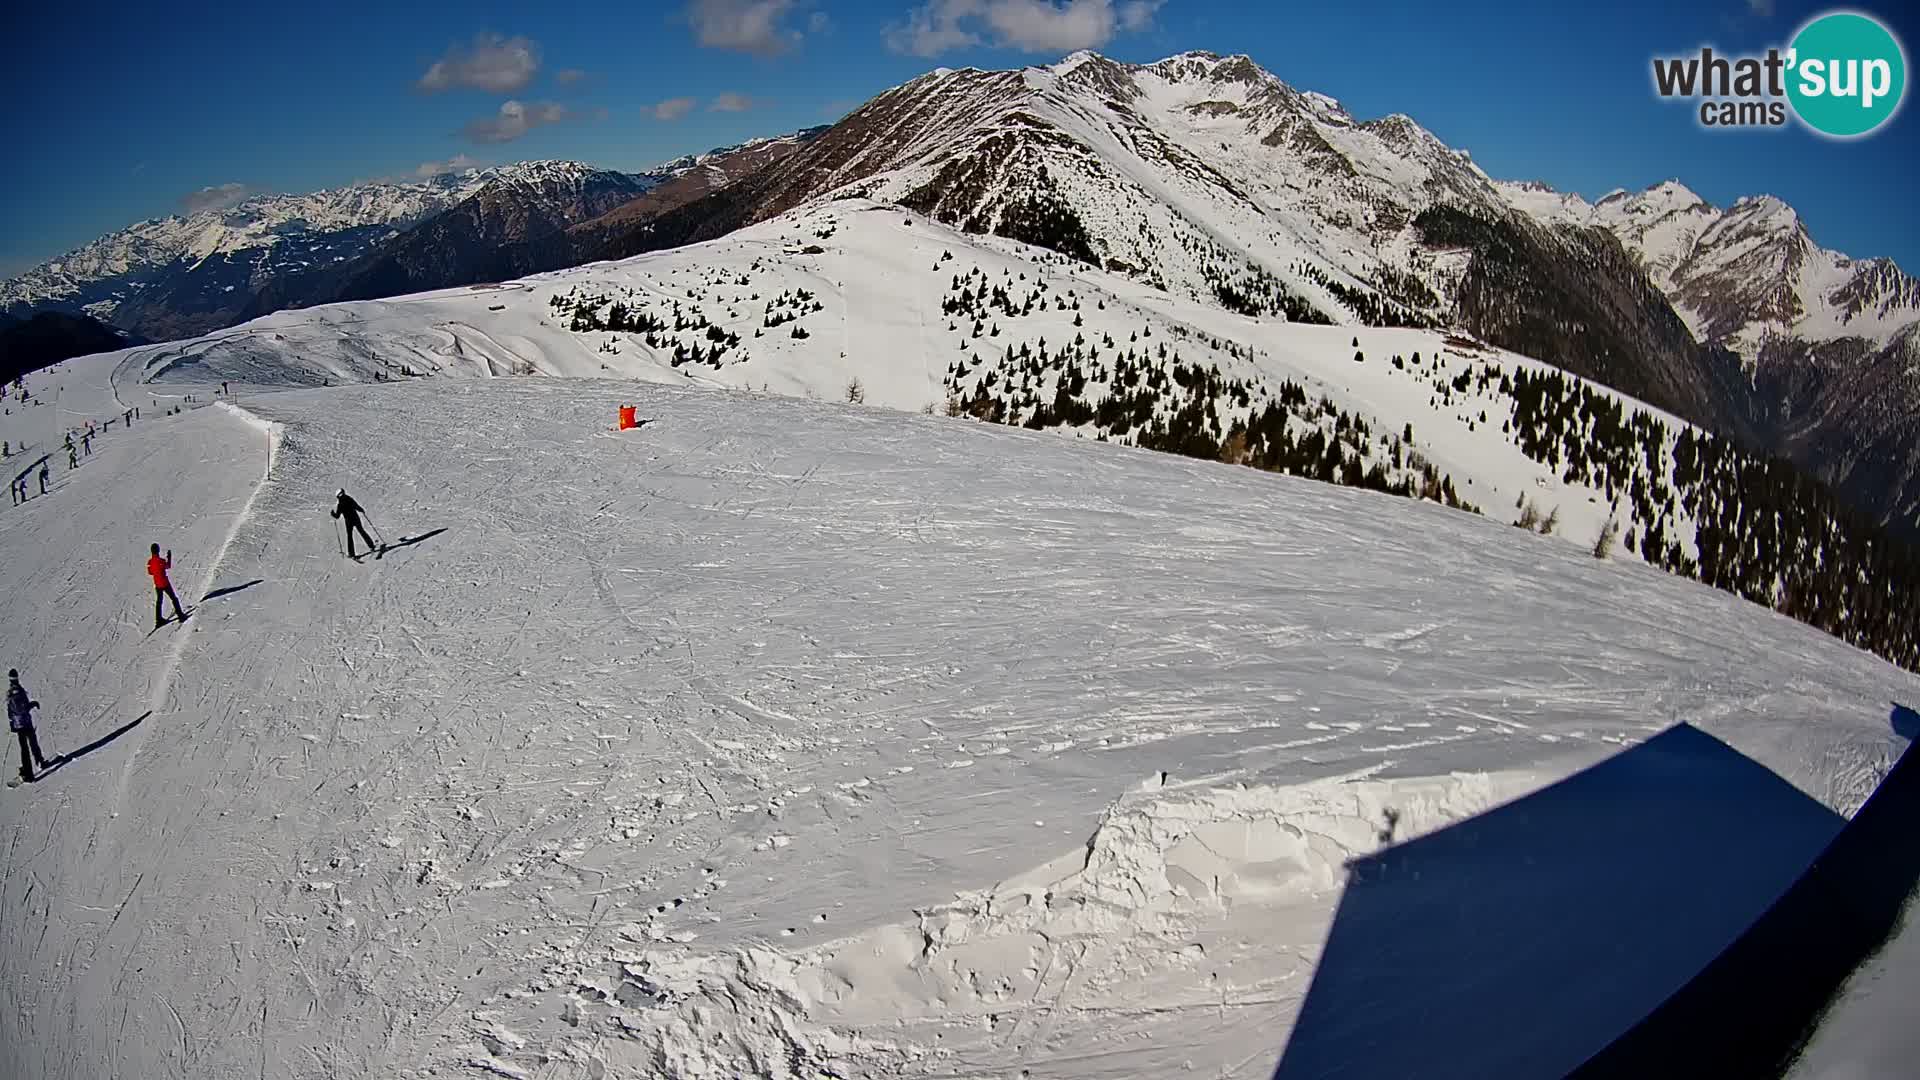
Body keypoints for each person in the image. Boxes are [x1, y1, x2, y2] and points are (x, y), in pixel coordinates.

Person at [8, 670, 47, 784]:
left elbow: (10, 709)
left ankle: (39, 761)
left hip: (20, 723)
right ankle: (29, 774)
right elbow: (20, 709)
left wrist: (12, 723)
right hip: (23, 723)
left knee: (31, 743)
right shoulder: (16, 691)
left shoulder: (12, 691)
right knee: (26, 747)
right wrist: (32, 704)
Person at [331, 489, 379, 559]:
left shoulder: (340, 504)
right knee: (362, 531)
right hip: (355, 518)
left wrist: (333, 514)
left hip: (348, 521)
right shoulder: (349, 499)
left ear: (338, 496)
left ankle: (351, 553)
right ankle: (371, 546)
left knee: (349, 536)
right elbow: (356, 506)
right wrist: (361, 510)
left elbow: (337, 516)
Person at [148, 544, 187, 628]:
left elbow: (150, 572)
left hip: (157, 584)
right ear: (158, 550)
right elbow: (168, 566)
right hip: (165, 583)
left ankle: (158, 620)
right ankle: (180, 615)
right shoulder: (161, 561)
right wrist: (169, 558)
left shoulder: (150, 562)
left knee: (159, 601)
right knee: (174, 598)